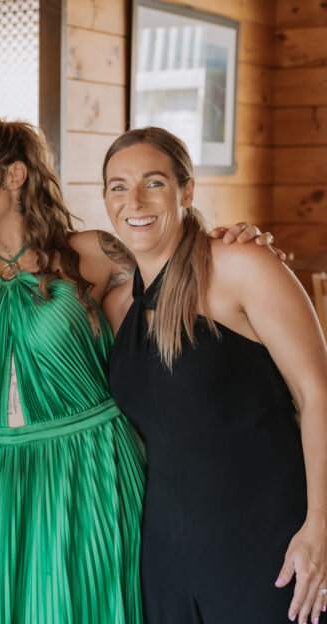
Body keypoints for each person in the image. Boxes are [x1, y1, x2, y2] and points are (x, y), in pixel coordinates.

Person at [0, 118, 271, 623]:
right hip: (4, 474)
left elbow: (184, 270)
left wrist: (234, 241)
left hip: (93, 461)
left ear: (16, 175)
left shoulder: (90, 253)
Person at [103, 127, 327, 624]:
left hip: (267, 536)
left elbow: (318, 394)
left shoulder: (241, 265)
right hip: (166, 550)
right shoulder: (118, 306)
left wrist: (320, 527)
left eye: (153, 183)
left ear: (186, 191)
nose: (133, 199)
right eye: (118, 186)